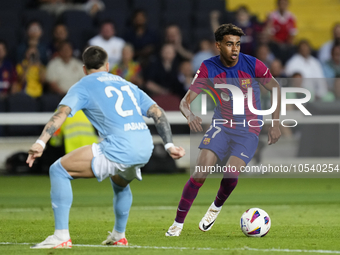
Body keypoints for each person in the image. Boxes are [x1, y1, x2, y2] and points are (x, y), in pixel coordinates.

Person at [26, 46, 185, 249]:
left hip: (120, 147)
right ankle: (119, 235)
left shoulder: (83, 85)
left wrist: (41, 142)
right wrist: (169, 145)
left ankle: (61, 236)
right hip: (145, 146)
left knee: (58, 170)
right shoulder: (126, 83)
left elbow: (62, 113)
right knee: (120, 183)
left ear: (84, 69)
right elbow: (157, 111)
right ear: (108, 66)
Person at [165, 24, 281, 236]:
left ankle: (215, 207)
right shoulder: (208, 67)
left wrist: (275, 122)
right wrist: (190, 114)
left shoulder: (252, 64)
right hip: (222, 126)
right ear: (218, 45)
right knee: (199, 174)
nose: (235, 49)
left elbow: (275, 88)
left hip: (249, 129)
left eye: (237, 44)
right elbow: (184, 102)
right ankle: (177, 224)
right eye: (229, 44)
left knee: (230, 175)